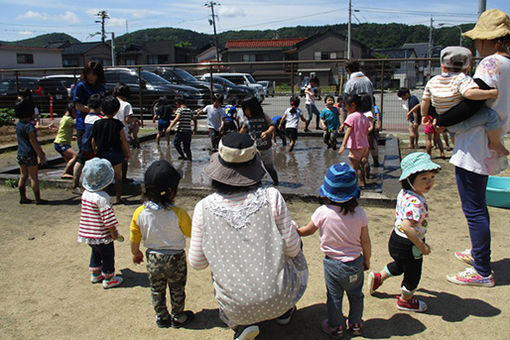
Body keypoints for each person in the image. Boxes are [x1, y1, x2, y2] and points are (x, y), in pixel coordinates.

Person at [189, 132, 308, 340]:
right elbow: (292, 249)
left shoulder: (203, 208)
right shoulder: (272, 197)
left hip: (235, 307)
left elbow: (197, 262)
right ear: (255, 163)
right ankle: (285, 311)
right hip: (279, 297)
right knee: (296, 243)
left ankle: (241, 325)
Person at [445, 9, 510, 287]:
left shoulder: (489, 64)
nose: (477, 44)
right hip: (492, 140)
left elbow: (472, 103)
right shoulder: (508, 64)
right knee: (478, 204)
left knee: (473, 208)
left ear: (493, 40)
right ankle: (478, 252)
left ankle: (482, 270)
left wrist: (441, 120)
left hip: (474, 143)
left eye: (480, 39)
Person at [297, 163, 371, 337]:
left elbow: (307, 231)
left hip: (333, 265)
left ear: (327, 192)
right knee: (356, 295)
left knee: (334, 297)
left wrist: (295, 230)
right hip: (355, 263)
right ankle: (355, 324)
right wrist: (366, 259)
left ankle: (336, 326)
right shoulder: (359, 213)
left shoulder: (322, 212)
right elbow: (365, 241)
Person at [369, 152, 440, 312]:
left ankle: (379, 277)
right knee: (413, 274)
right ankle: (405, 300)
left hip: (396, 238)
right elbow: (408, 227)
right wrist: (421, 246)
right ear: (409, 179)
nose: (429, 182)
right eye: (424, 178)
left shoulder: (405, 193)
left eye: (432, 177)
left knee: (401, 265)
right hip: (409, 243)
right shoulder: (416, 203)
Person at [130, 160, 195, 328]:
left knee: (156, 289)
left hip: (153, 257)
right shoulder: (178, 213)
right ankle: (179, 316)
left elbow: (134, 235)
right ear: (173, 191)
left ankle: (161, 317)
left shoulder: (140, 212)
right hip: (175, 258)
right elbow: (191, 233)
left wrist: (135, 252)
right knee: (177, 288)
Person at [421, 46, 507, 157]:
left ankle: (455, 145)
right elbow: (469, 94)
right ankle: (495, 143)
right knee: (491, 116)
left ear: (442, 66)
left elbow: (425, 100)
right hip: (459, 122)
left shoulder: (432, 81)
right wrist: (491, 93)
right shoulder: (461, 79)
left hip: (445, 121)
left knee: (453, 132)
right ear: (467, 68)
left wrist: (424, 115)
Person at [77, 157, 123, 289]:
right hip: (102, 236)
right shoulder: (103, 198)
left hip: (88, 234)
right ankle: (109, 278)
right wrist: (114, 233)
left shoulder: (85, 194)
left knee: (96, 252)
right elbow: (108, 220)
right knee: (108, 255)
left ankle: (96, 274)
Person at [91, 96, 131, 204]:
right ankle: (118, 198)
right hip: (115, 153)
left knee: (104, 176)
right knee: (118, 176)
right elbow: (123, 140)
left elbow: (93, 140)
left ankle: (104, 197)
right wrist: (127, 153)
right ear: (117, 110)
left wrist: (95, 151)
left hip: (102, 153)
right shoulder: (117, 124)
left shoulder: (97, 123)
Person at [240, 97, 279, 185]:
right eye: (244, 110)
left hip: (266, 148)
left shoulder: (264, 116)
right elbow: (242, 131)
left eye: (247, 109)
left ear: (254, 108)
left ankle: (276, 182)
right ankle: (257, 183)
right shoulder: (247, 120)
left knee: (269, 166)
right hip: (253, 149)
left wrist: (266, 132)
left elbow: (272, 126)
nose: (246, 112)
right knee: (254, 167)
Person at [15, 98, 46, 204]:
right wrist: (41, 154)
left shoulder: (19, 125)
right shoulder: (30, 127)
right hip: (30, 154)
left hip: (20, 153)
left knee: (23, 175)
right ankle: (38, 199)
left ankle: (22, 197)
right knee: (34, 177)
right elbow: (33, 142)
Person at [72, 94, 102, 194]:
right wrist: (96, 149)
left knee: (80, 162)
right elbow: (95, 137)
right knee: (94, 167)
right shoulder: (99, 119)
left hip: (84, 145)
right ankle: (91, 186)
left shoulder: (87, 117)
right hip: (92, 148)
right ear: (100, 107)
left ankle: (75, 184)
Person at [338, 94, 370, 187]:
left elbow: (348, 131)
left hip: (356, 146)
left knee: (354, 168)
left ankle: (358, 184)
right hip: (365, 146)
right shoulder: (364, 117)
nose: (346, 109)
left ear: (353, 105)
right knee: (360, 164)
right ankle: (365, 172)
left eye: (347, 106)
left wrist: (343, 145)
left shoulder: (351, 117)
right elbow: (366, 132)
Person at [73, 61, 106, 151]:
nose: (91, 77)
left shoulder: (101, 87)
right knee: (84, 153)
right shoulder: (81, 86)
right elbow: (78, 106)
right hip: (84, 124)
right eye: (89, 74)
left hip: (99, 124)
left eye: (94, 74)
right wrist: (94, 111)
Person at [114, 84, 138, 182]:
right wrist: (135, 119)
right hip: (123, 133)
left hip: (112, 132)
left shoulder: (112, 102)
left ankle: (114, 177)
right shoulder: (126, 105)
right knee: (124, 157)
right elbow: (127, 120)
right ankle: (123, 178)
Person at [342, 60, 374, 127]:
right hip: (369, 115)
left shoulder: (349, 83)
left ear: (348, 70)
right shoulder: (368, 80)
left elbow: (345, 103)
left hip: (355, 118)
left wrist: (343, 122)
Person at [166, 96, 197, 161]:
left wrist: (170, 127)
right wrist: (195, 128)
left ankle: (183, 156)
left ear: (177, 103)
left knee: (176, 143)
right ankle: (189, 160)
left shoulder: (179, 110)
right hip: (188, 131)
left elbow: (177, 118)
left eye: (176, 104)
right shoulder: (189, 110)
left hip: (180, 131)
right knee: (187, 147)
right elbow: (194, 119)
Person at [54, 103, 78, 179]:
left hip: (60, 142)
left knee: (69, 160)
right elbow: (79, 126)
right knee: (75, 156)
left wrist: (71, 137)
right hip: (62, 143)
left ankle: (69, 173)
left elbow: (63, 131)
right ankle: (65, 173)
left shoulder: (64, 118)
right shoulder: (69, 120)